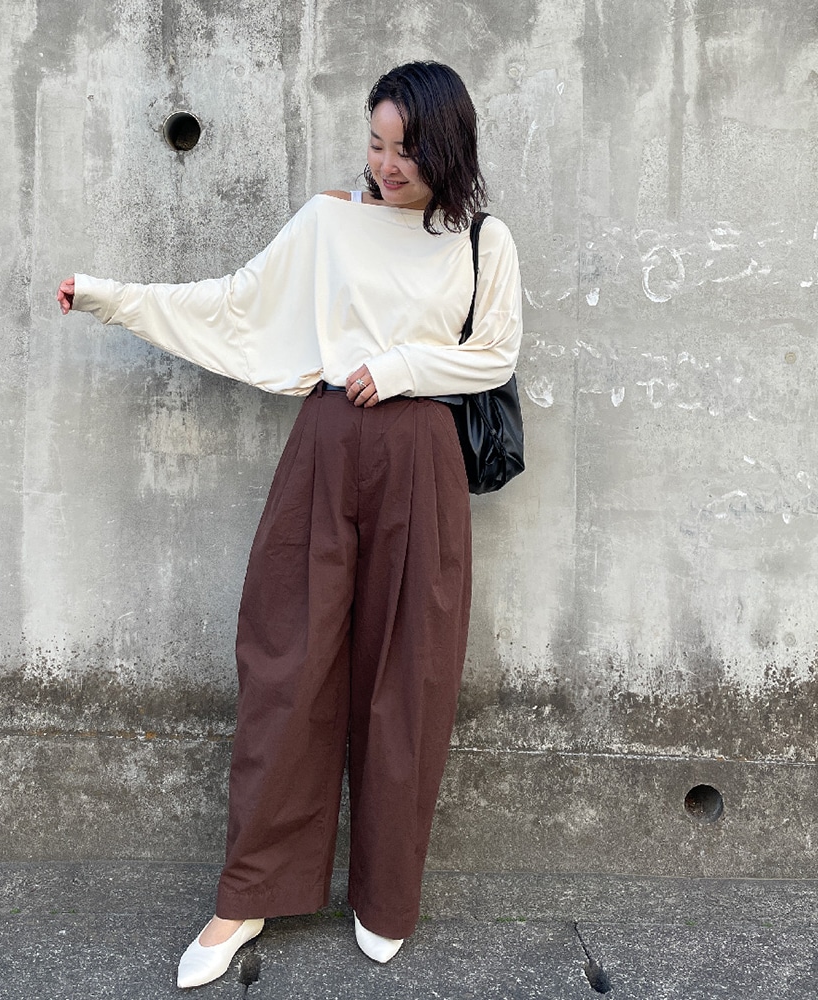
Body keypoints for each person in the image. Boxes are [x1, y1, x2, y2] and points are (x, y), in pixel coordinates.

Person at [57, 60, 522, 988]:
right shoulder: (328, 221)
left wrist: (400, 369)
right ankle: (247, 897)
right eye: (376, 144)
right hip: (326, 447)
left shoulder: (482, 238)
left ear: (448, 146)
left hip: (423, 460)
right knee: (286, 667)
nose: (387, 164)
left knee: (409, 676)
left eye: (407, 149)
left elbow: (495, 353)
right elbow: (234, 304)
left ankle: (384, 895)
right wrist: (110, 296)